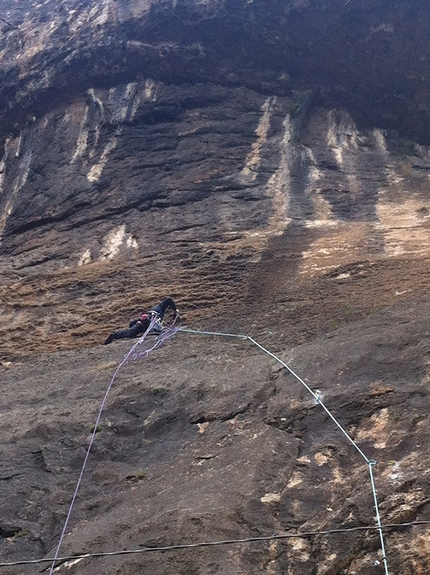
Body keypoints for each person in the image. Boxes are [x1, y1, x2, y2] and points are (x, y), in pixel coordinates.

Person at [104, 297, 179, 345]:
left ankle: (115, 334)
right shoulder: (159, 307)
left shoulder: (151, 313)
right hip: (152, 318)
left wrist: (135, 323)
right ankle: (153, 331)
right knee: (157, 326)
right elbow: (168, 300)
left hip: (143, 322)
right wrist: (175, 310)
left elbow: (131, 324)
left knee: (131, 332)